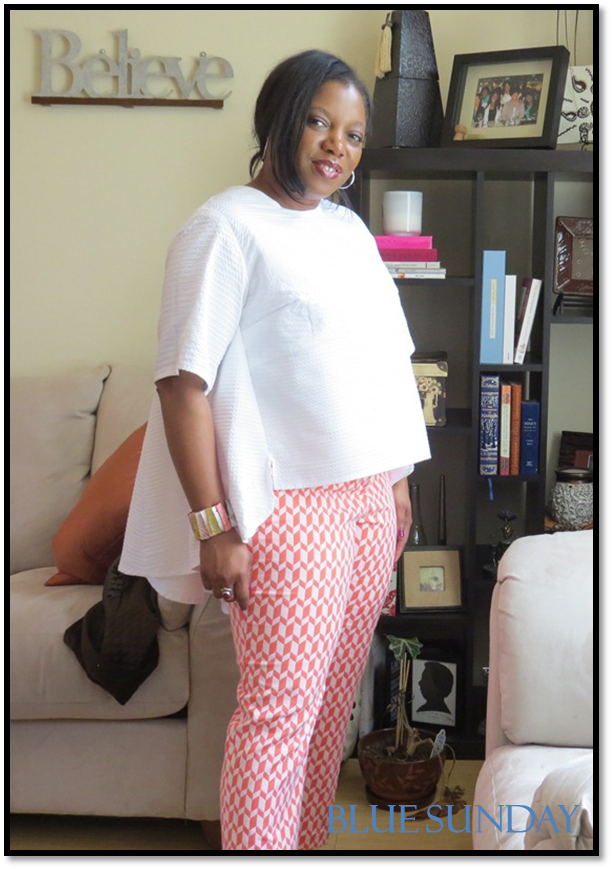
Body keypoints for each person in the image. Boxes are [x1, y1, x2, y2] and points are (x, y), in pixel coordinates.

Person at [120, 49, 430, 851]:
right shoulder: (222, 228)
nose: (337, 147)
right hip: (286, 508)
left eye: (353, 135)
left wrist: (396, 485)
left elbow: (384, 364)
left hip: (367, 502)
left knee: (329, 715)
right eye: (321, 122)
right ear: (279, 122)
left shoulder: (348, 231)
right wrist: (214, 526)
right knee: (277, 718)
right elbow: (181, 385)